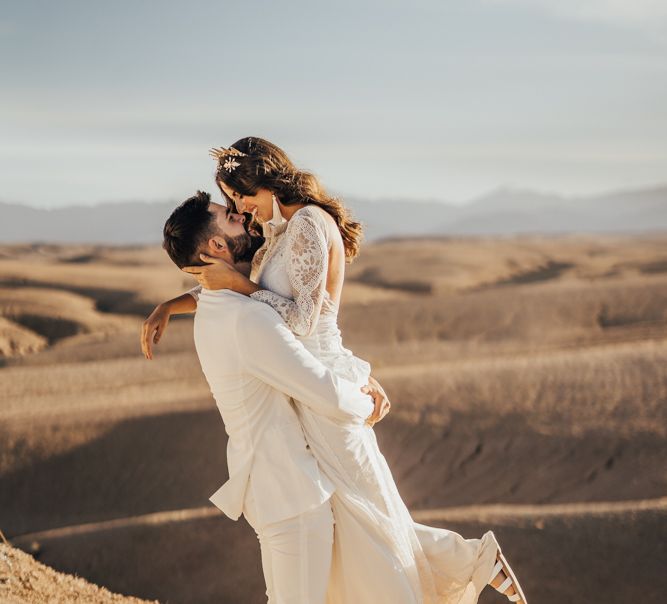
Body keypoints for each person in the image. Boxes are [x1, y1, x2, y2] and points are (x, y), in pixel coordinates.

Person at [144, 137, 528, 604]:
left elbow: (301, 319)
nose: (240, 208)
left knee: (372, 513)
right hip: (305, 386)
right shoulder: (278, 233)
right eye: (231, 203)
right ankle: (472, 560)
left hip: (323, 381)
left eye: (240, 196)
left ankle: (473, 560)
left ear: (263, 181)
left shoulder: (308, 223)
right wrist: (174, 304)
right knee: (359, 517)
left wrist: (241, 286)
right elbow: (227, 287)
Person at [150, 191, 390, 603]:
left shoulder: (218, 307)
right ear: (216, 247)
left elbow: (219, 291)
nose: (244, 215)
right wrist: (367, 399)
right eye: (231, 215)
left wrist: (169, 305)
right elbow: (323, 391)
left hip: (275, 489)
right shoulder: (249, 318)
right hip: (290, 490)